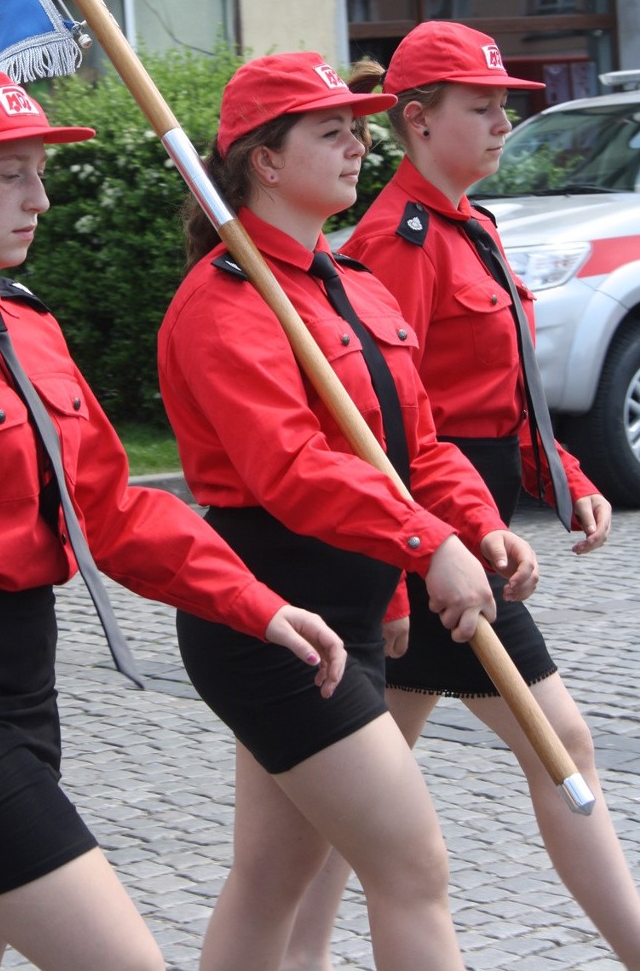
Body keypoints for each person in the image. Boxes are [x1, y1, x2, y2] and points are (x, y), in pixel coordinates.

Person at [0, 66, 347, 971]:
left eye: (40, 173)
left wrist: (257, 605)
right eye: (10, 172)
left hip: (23, 688)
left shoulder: (27, 325)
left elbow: (113, 511)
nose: (39, 199)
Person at [157, 51, 540, 971]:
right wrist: (426, 544)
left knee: (273, 879)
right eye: (330, 131)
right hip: (271, 617)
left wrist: (475, 524)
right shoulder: (225, 303)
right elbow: (290, 470)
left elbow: (420, 446)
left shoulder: (351, 283)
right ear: (266, 160)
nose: (358, 145)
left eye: (359, 127)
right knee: (412, 863)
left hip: (353, 611)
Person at [282, 21, 640, 971]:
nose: (500, 125)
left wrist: (558, 472)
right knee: (559, 736)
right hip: (428, 537)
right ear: (416, 120)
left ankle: (292, 957)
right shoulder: (396, 244)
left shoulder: (469, 224)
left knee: (348, 796)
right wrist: (415, 561)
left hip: (463, 520)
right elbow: (393, 420)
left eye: (505, 108)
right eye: (480, 109)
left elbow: (497, 388)